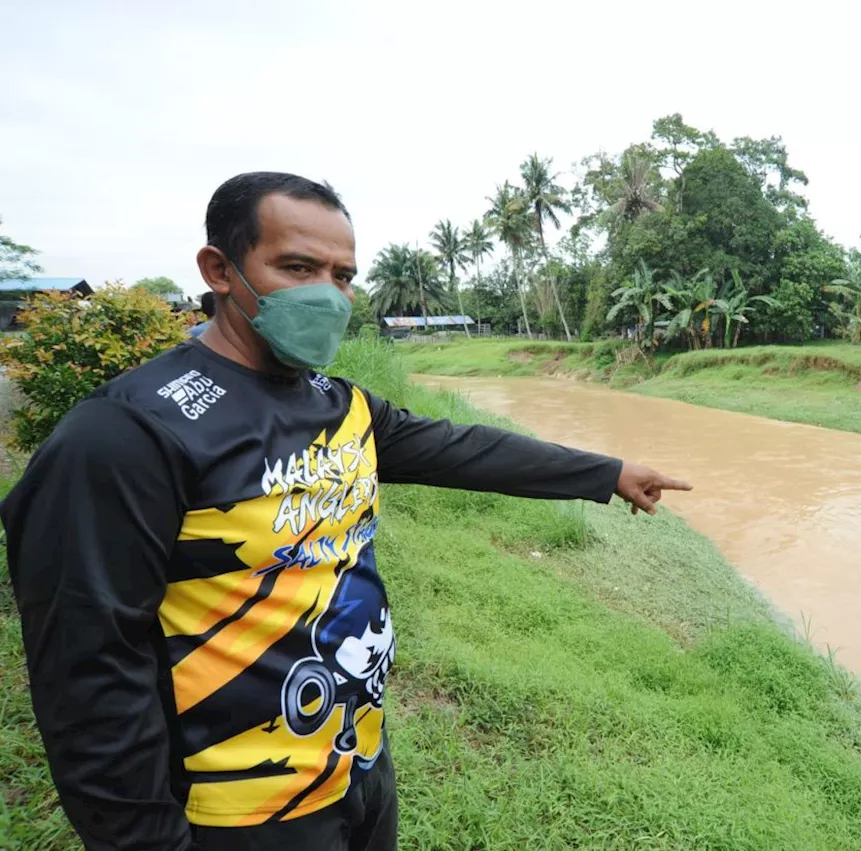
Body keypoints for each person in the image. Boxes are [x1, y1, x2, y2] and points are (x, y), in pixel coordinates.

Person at [0, 172, 691, 851]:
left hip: (355, 765)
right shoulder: (130, 433)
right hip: (242, 808)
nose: (327, 295)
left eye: (342, 275)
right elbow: (87, 677)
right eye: (297, 266)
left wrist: (608, 473)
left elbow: (465, 450)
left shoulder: (340, 405)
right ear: (219, 269)